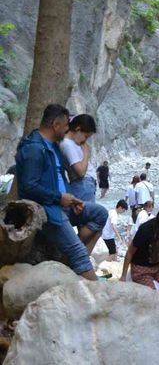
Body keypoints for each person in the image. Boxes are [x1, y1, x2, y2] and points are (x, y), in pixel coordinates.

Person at [15, 104, 108, 281]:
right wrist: (59, 198)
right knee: (79, 253)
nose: (68, 129)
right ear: (54, 124)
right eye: (66, 125)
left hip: (62, 204)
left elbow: (59, 178)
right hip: (47, 210)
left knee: (100, 213)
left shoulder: (53, 146)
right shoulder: (34, 148)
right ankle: (99, 295)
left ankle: (64, 268)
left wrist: (72, 200)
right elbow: (29, 187)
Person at [59, 114, 97, 203]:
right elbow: (81, 172)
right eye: (86, 136)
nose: (85, 140)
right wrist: (86, 153)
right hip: (82, 184)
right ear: (78, 129)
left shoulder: (71, 143)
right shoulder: (67, 144)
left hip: (84, 184)